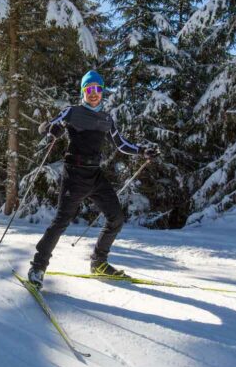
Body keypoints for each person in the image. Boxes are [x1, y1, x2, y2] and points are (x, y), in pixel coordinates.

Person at [28, 70, 159, 289]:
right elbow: (46, 128)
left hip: (95, 175)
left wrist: (142, 151)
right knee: (61, 221)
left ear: (102, 92)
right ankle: (38, 267)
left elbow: (122, 144)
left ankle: (99, 262)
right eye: (89, 90)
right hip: (74, 175)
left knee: (116, 218)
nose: (94, 94)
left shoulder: (106, 119)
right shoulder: (72, 111)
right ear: (83, 92)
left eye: (97, 89)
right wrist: (53, 129)